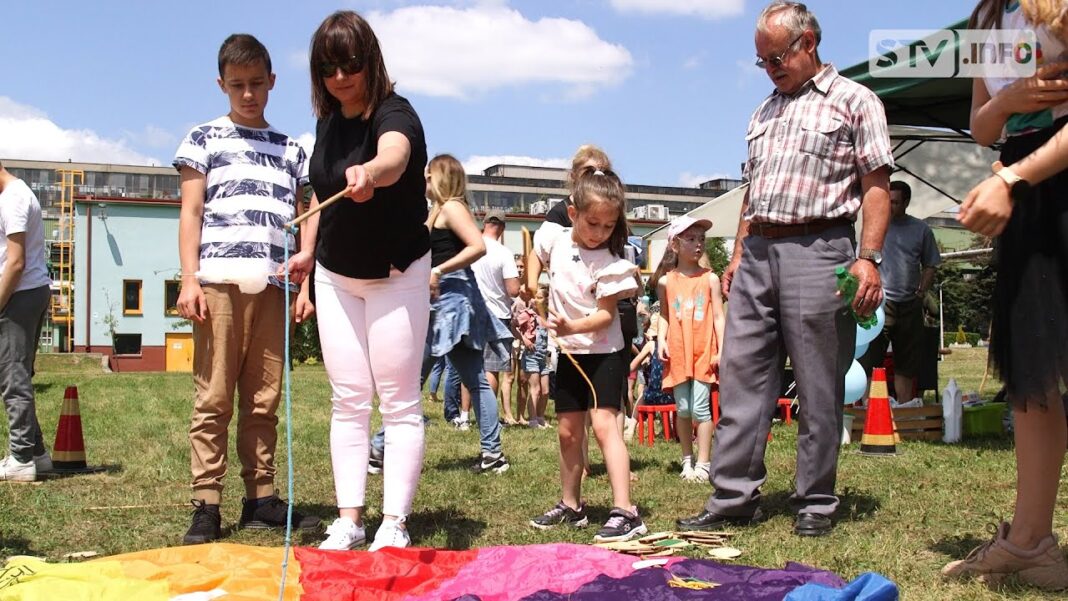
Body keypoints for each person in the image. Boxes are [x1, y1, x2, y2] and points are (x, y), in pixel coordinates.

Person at [677, 1, 893, 538]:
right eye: (762, 61)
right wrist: (739, 253)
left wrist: (868, 258)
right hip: (757, 255)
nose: (770, 67)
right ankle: (732, 496)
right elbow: (753, 194)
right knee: (742, 374)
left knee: (819, 381)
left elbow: (876, 186)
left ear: (809, 43)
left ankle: (817, 499)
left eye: (777, 56)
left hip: (821, 250)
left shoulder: (855, 101)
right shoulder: (762, 112)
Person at [940, 0, 1068, 590]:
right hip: (1019, 187)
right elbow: (982, 127)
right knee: (1031, 371)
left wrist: (1012, 177)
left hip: (1031, 177)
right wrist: (1008, 103)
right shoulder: (988, 15)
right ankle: (1028, 543)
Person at [173, 34, 320, 545]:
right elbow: (191, 212)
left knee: (263, 398)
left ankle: (260, 497)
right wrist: (189, 279)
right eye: (237, 85)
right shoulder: (202, 139)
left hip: (275, 286)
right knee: (214, 395)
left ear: (272, 82)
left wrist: (305, 283)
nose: (248, 94)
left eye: (257, 83)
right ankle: (206, 502)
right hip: (217, 282)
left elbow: (306, 217)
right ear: (222, 85)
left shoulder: (290, 149)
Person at [293, 10, 430, 552]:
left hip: (396, 273)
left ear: (368, 60)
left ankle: (393, 521)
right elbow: (317, 194)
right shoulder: (328, 122)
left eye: (349, 64)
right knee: (348, 399)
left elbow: (395, 156)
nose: (340, 77)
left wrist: (370, 173)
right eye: (328, 68)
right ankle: (349, 518)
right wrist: (306, 255)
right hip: (334, 276)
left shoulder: (397, 113)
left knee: (397, 403)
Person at [527, 167, 646, 542]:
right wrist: (532, 284)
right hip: (570, 355)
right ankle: (571, 505)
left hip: (605, 355)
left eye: (609, 226)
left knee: (603, 426)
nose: (599, 233)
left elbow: (606, 316)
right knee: (566, 431)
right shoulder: (557, 239)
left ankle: (626, 511)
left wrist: (569, 327)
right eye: (593, 223)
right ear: (573, 213)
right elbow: (535, 250)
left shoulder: (612, 263)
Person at [421, 153, 512, 473]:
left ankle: (379, 448)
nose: (424, 180)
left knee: (412, 378)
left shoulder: (451, 207)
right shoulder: (436, 211)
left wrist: (438, 271)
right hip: (444, 302)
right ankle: (493, 454)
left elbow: (478, 246)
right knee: (475, 379)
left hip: (451, 304)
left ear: (440, 178)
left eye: (428, 175)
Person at [657, 216, 724, 483]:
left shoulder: (711, 279)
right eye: (691, 239)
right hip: (678, 352)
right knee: (683, 408)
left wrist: (722, 348)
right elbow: (664, 314)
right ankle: (687, 459)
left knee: (701, 409)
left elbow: (719, 315)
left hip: (703, 351)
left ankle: (704, 462)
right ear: (675, 245)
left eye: (701, 240)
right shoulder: (665, 282)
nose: (698, 245)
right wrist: (660, 339)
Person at [858, 181, 940, 402]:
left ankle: (904, 412)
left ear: (906, 202)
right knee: (870, 361)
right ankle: (868, 410)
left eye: (895, 202)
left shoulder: (921, 229)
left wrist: (922, 292)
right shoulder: (876, 227)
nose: (890, 206)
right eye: (888, 201)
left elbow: (931, 264)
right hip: (880, 304)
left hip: (910, 304)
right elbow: (862, 261)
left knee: (906, 364)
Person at [0, 161, 53, 483]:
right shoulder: (11, 195)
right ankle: (35, 453)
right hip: (22, 294)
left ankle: (20, 459)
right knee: (13, 374)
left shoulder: (14, 198)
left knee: (13, 377)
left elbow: (16, 262)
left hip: (18, 295)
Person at [470, 209, 521, 424]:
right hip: (497, 315)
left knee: (471, 366)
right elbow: (513, 290)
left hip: (472, 312)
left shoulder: (471, 247)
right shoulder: (504, 253)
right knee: (492, 369)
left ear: (484, 223)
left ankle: (466, 415)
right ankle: (488, 418)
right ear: (503, 228)